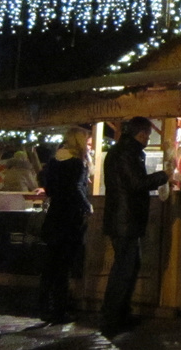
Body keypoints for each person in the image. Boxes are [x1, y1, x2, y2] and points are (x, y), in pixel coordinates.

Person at [100, 117, 169, 338]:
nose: (148, 139)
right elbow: (137, 183)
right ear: (141, 134)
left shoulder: (120, 151)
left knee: (127, 266)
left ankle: (119, 314)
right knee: (124, 269)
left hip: (122, 219)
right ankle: (113, 318)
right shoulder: (128, 153)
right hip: (125, 220)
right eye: (148, 135)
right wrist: (164, 175)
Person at [38, 126, 93, 325]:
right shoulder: (78, 163)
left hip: (55, 217)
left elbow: (49, 188)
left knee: (51, 266)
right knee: (64, 266)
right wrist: (87, 206)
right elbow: (77, 188)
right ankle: (60, 310)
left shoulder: (54, 161)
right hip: (71, 219)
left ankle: (44, 307)